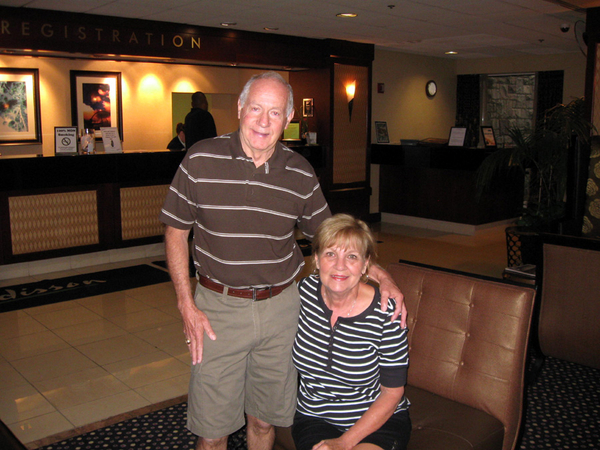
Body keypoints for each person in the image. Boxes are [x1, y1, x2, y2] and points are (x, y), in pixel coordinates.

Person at [160, 71, 406, 450]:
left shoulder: (299, 172)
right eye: (256, 108)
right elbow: (175, 231)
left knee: (264, 421)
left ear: (288, 119)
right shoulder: (200, 158)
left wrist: (382, 276)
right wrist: (184, 302)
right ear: (240, 108)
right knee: (212, 432)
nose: (263, 121)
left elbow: (333, 240)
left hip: (282, 309)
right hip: (218, 310)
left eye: (275, 113)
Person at [292, 214, 410, 450]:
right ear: (316, 259)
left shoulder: (388, 313)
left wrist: (345, 442)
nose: (340, 265)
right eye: (330, 254)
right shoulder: (302, 293)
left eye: (352, 256)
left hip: (377, 421)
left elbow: (392, 392)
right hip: (314, 417)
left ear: (366, 265)